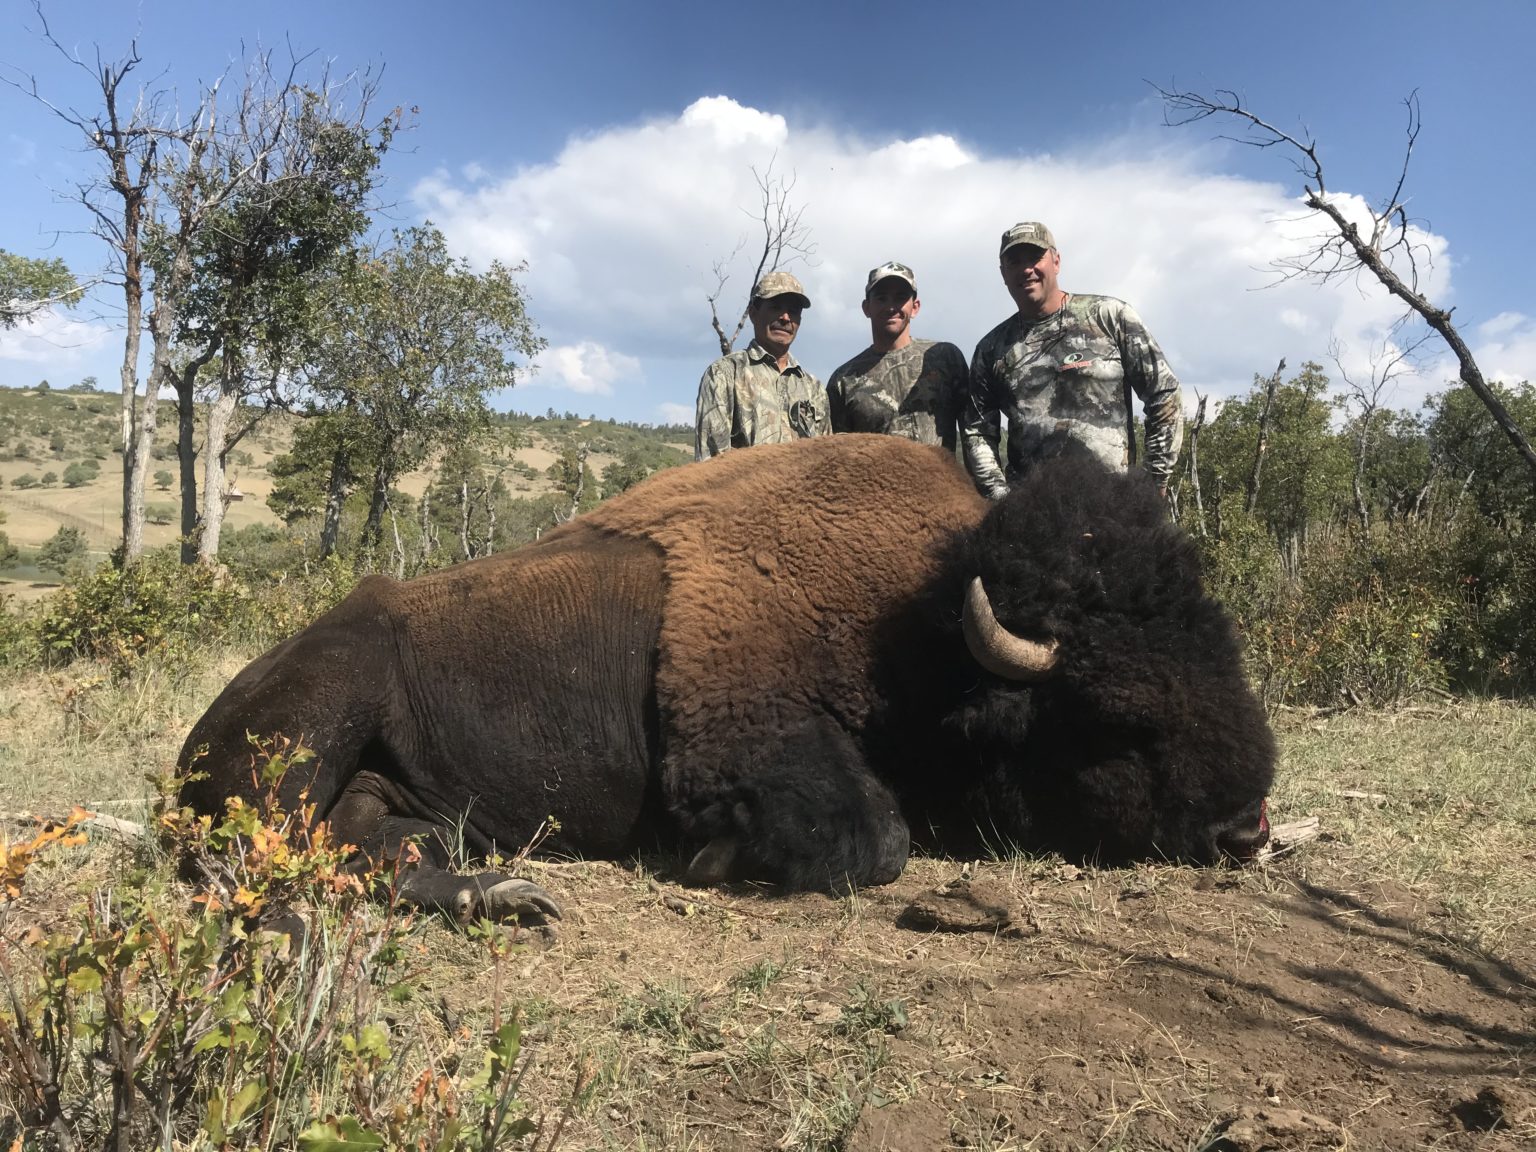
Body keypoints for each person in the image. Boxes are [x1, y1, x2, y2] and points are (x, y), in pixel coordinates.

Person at [961, 221, 1184, 499]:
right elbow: (977, 432)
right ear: (1003, 274)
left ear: (1056, 261)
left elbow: (1164, 393)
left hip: (1114, 504)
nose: (1026, 269)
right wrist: (998, 495)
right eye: (1014, 262)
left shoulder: (1110, 317)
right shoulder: (991, 349)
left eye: (1034, 257)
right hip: (1031, 511)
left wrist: (1154, 482)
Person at [826, 261, 969, 450]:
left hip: (941, 478)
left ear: (915, 307)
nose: (891, 307)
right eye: (881, 298)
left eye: (900, 298)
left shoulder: (945, 358)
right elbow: (837, 453)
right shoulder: (844, 380)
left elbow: (974, 432)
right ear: (866, 308)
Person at [695, 271, 829, 460]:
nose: (785, 318)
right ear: (753, 313)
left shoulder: (814, 389)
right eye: (775, 307)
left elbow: (826, 460)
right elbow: (711, 465)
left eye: (793, 311)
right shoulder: (724, 373)